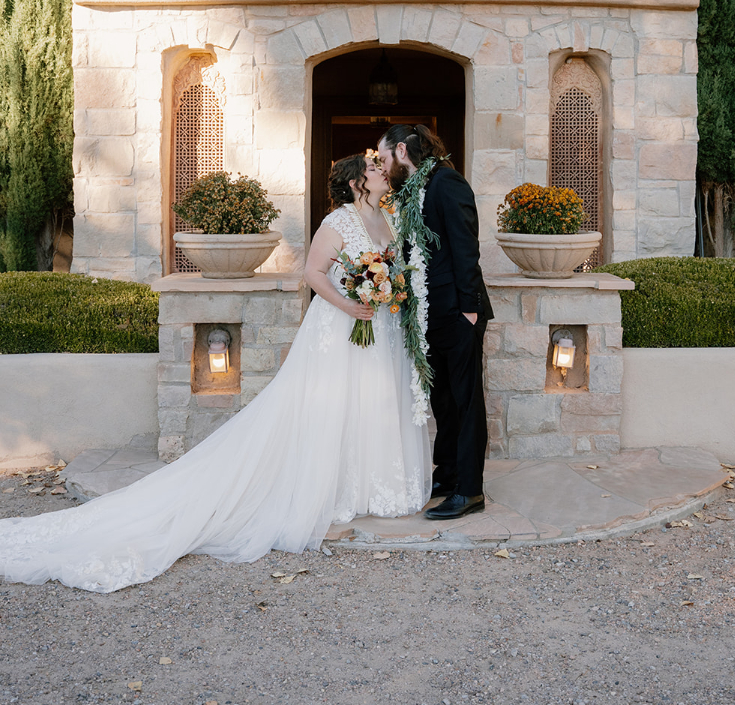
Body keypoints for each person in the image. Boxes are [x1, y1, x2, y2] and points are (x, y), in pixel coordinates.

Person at [0, 155, 431, 593]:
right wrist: (349, 304)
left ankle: (367, 487)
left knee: (367, 404)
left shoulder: (387, 217)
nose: (382, 171)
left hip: (381, 330)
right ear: (358, 182)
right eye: (374, 168)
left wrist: (387, 292)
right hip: (341, 326)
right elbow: (314, 274)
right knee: (329, 406)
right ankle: (328, 489)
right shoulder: (337, 222)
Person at [377, 124, 492, 521]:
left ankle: (470, 490)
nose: (382, 164)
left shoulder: (447, 183)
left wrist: (470, 308)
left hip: (458, 311)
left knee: (465, 400)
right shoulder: (410, 192)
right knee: (442, 399)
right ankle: (447, 476)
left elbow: (466, 246)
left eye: (384, 157)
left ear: (403, 152)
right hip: (429, 312)